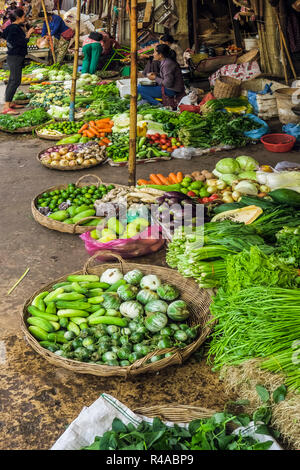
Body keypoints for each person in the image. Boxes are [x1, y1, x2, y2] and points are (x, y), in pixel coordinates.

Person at [0, 8, 34, 114]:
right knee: (14, 81)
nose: (25, 18)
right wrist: (28, 34)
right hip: (15, 56)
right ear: (18, 18)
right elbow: (20, 43)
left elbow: (4, 36)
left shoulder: (12, 27)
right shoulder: (14, 28)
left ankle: (10, 102)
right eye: (24, 16)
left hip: (14, 56)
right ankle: (6, 107)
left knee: (14, 80)